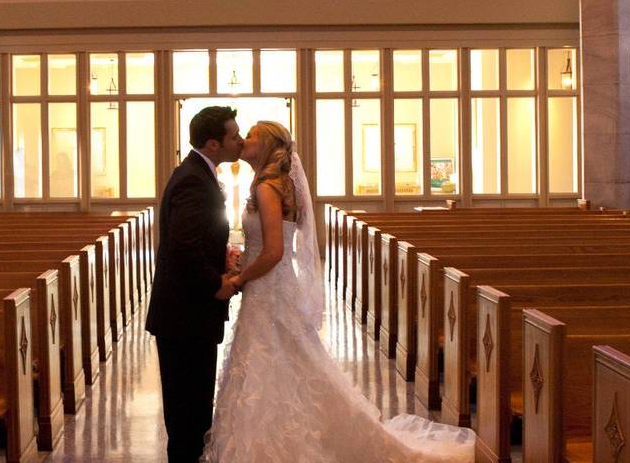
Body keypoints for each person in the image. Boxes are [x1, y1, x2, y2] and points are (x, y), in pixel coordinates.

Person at [201, 121, 476, 463]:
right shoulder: (273, 184)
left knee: (273, 365)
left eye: (252, 136)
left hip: (268, 290)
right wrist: (242, 262)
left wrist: (240, 280)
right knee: (285, 365)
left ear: (268, 145)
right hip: (271, 289)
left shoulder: (267, 188)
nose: (244, 141)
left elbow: (273, 251)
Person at [146, 105, 245, 463]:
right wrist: (215, 282)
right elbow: (183, 245)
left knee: (193, 410)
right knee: (188, 413)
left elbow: (195, 238)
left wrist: (222, 258)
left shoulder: (198, 173)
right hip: (184, 315)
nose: (240, 140)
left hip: (187, 316)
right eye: (234, 135)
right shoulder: (192, 179)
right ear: (213, 143)